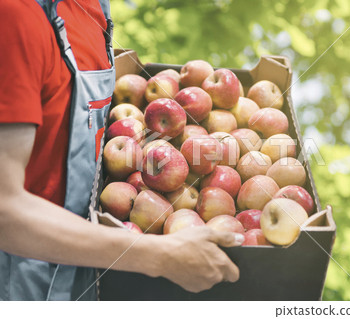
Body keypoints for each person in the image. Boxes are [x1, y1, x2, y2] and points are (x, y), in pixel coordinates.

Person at [0, 0, 241, 301]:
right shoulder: (14, 17)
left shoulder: (95, 8)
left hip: (91, 270)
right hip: (24, 284)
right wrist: (157, 255)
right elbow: (4, 212)